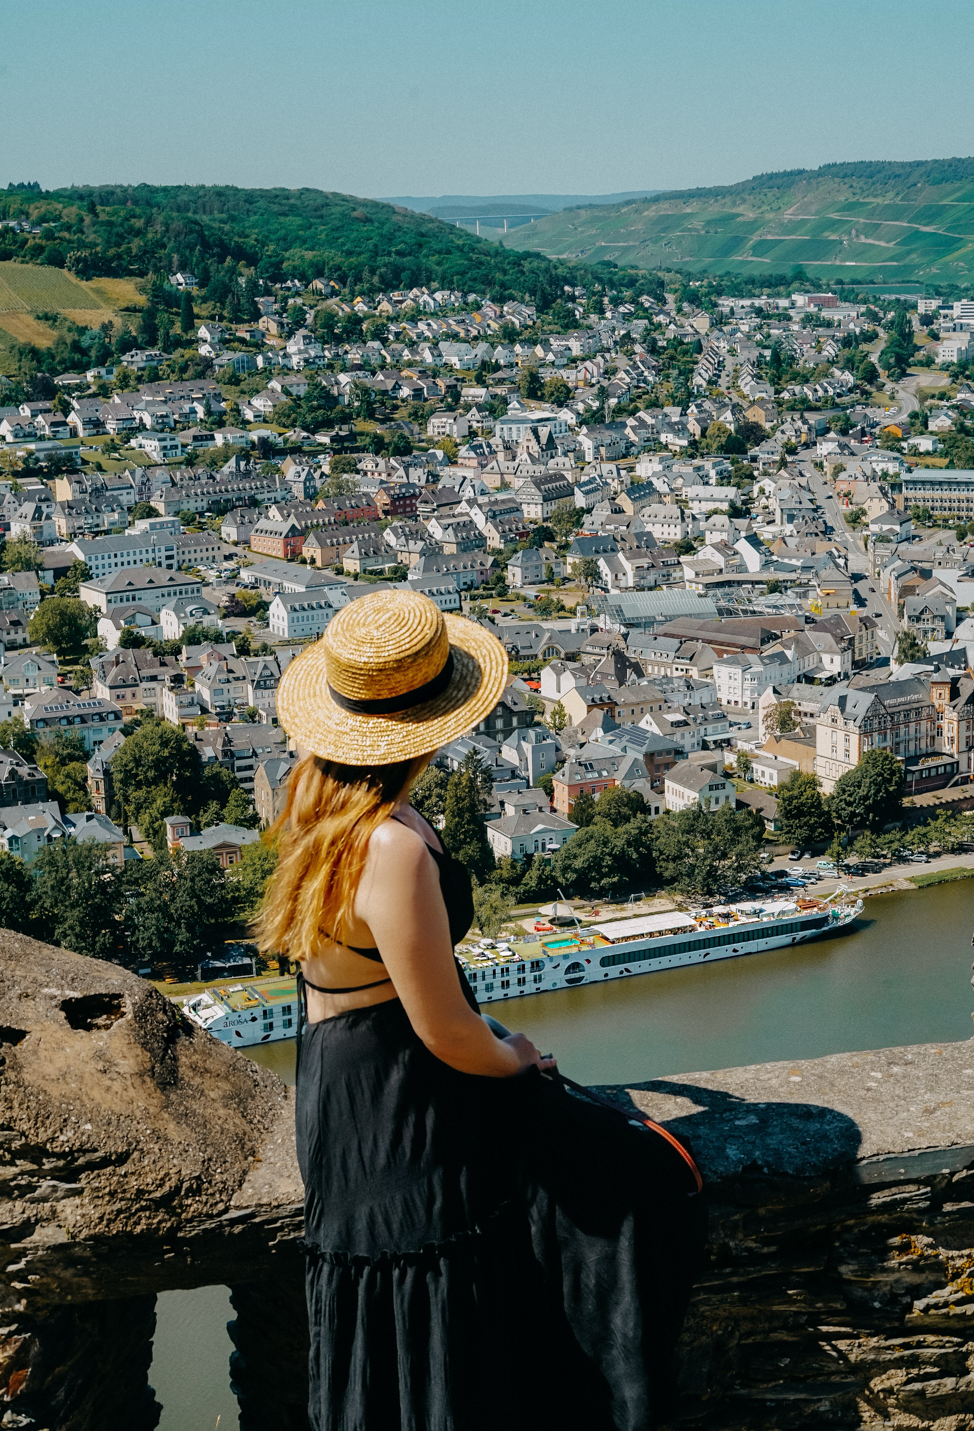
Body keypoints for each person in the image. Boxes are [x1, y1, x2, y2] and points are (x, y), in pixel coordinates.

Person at [257, 592, 705, 1431]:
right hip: (403, 1088)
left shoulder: (318, 800)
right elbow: (445, 1030)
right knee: (601, 1182)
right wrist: (518, 1053)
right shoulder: (389, 844)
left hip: (344, 1077)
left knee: (390, 1299)